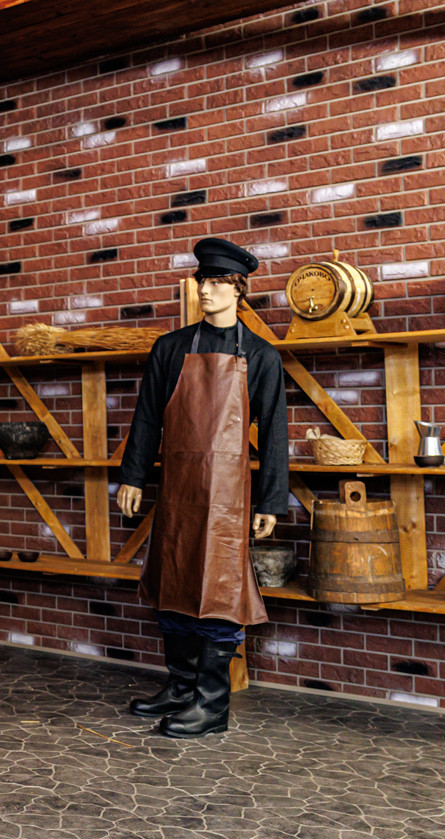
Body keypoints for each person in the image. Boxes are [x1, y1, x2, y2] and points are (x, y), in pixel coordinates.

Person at [115, 238, 289, 738]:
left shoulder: (261, 356)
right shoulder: (170, 348)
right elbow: (147, 417)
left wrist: (271, 500)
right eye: (201, 281)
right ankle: (180, 687)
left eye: (216, 282)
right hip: (176, 489)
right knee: (172, 583)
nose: (205, 290)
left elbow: (274, 433)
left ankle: (212, 705)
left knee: (219, 592)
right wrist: (132, 476)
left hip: (228, 498)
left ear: (239, 290)